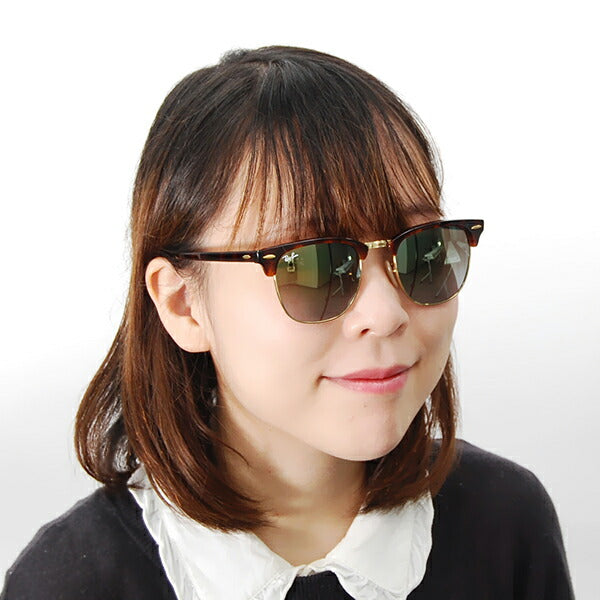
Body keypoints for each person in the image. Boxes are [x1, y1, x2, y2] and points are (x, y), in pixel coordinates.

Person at [1, 46, 574, 600]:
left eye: (421, 251)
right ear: (182, 304)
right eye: (316, 266)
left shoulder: (506, 525)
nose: (386, 314)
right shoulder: (70, 584)